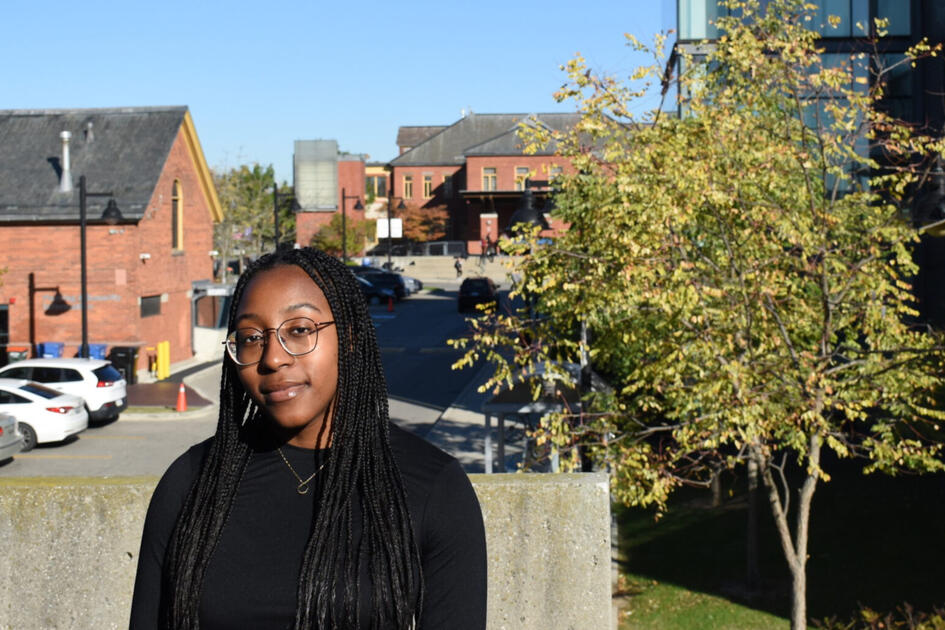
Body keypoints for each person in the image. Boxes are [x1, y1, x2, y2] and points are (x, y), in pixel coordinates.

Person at [130, 247, 487, 629]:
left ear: (349, 337)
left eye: (299, 331)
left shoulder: (433, 488)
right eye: (251, 338)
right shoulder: (191, 483)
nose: (272, 358)